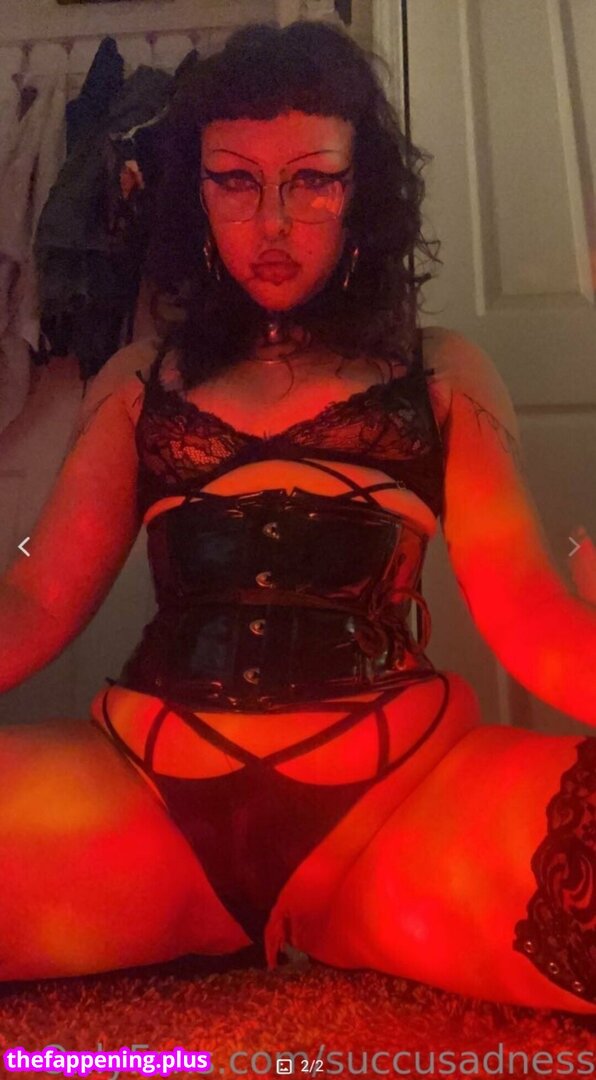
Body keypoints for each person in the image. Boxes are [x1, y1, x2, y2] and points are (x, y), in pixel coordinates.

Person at [0, 20, 595, 1014]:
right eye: (235, 181)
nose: (271, 222)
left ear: (363, 192)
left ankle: (329, 918)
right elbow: (36, 595)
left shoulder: (440, 370)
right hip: (136, 809)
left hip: (403, 818)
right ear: (195, 195)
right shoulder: (138, 380)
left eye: (311, 181)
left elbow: (530, 615)